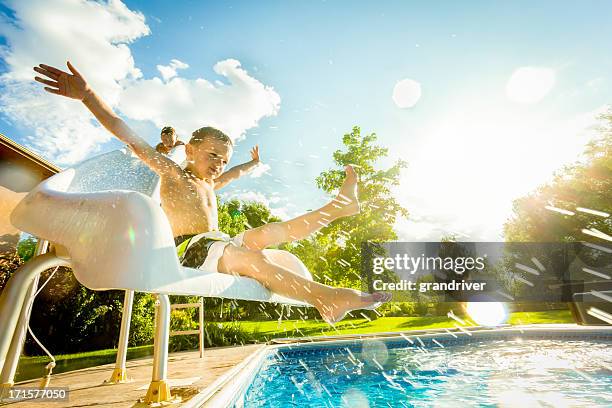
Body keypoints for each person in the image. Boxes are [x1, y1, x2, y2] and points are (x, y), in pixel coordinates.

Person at [33, 61, 391, 323]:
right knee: (254, 259)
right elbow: (129, 135)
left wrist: (249, 167)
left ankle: (338, 207)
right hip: (191, 249)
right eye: (213, 156)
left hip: (218, 244)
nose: (219, 164)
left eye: (224, 160)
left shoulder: (211, 183)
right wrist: (88, 96)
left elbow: (233, 175)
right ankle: (327, 298)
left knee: (262, 234)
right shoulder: (174, 174)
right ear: (189, 150)